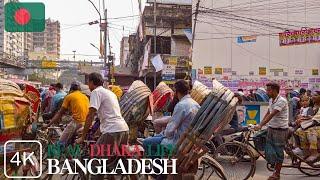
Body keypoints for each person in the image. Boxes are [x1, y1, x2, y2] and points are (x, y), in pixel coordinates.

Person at [76, 73, 129, 179]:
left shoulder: (96, 92)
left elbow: (90, 115)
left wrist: (82, 137)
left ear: (91, 82)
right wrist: (98, 133)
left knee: (96, 161)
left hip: (112, 130)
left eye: (88, 83)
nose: (88, 85)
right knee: (111, 162)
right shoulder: (110, 93)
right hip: (123, 129)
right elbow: (108, 115)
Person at [143, 80, 200, 155]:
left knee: (146, 142)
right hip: (189, 141)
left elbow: (170, 129)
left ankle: (158, 165)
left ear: (177, 92)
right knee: (157, 137)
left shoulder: (181, 105)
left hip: (179, 142)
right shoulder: (195, 104)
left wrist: (164, 135)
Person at [254, 82, 289, 180]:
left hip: (280, 130)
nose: (266, 92)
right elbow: (268, 112)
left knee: (278, 151)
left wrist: (261, 125)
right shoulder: (271, 100)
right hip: (271, 128)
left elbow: (272, 114)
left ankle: (277, 174)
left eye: (268, 90)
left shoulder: (282, 101)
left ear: (274, 90)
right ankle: (274, 164)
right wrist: (260, 124)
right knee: (267, 147)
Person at [293, 93, 320, 162]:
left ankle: (314, 153)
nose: (313, 97)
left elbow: (315, 119)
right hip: (314, 124)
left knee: (311, 131)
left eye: (316, 95)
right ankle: (306, 151)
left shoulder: (311, 108)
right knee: (299, 131)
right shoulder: (314, 107)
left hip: (316, 125)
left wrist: (305, 121)